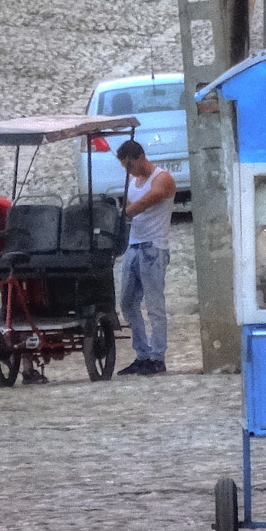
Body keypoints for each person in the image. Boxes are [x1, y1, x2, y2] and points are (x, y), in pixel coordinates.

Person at [116, 140, 176, 377]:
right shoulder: (132, 180)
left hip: (154, 246)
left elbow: (142, 204)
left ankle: (157, 357)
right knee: (128, 302)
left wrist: (122, 211)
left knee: (154, 306)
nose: (128, 171)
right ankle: (142, 354)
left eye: (130, 165)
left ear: (141, 157)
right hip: (135, 244)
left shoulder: (163, 179)